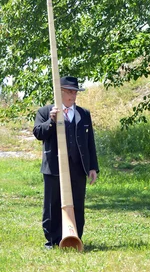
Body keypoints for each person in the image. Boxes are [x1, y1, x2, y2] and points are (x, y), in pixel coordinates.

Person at [33, 76, 99, 249]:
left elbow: (90, 142)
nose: (73, 95)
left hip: (78, 167)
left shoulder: (83, 114)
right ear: (59, 92)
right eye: (69, 91)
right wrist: (51, 121)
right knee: (52, 204)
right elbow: (38, 133)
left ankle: (74, 237)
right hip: (54, 168)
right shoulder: (45, 111)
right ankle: (52, 241)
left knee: (77, 203)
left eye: (75, 92)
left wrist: (93, 167)